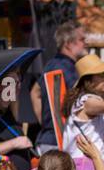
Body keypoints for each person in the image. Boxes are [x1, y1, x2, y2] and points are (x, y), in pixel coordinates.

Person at [32, 23, 88, 155]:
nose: (85, 43)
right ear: (68, 44)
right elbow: (82, 97)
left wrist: (46, 124)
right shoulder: (67, 67)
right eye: (81, 40)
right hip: (60, 142)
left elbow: (34, 92)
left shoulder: (52, 64)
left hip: (49, 139)